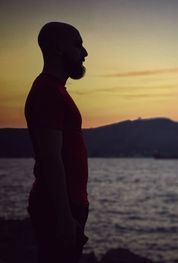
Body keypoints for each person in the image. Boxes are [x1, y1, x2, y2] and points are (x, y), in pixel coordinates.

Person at [24, 22, 89, 263]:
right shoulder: (47, 92)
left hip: (66, 204)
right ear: (60, 47)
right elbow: (51, 158)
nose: (85, 53)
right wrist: (63, 215)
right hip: (56, 207)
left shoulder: (56, 90)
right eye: (78, 44)